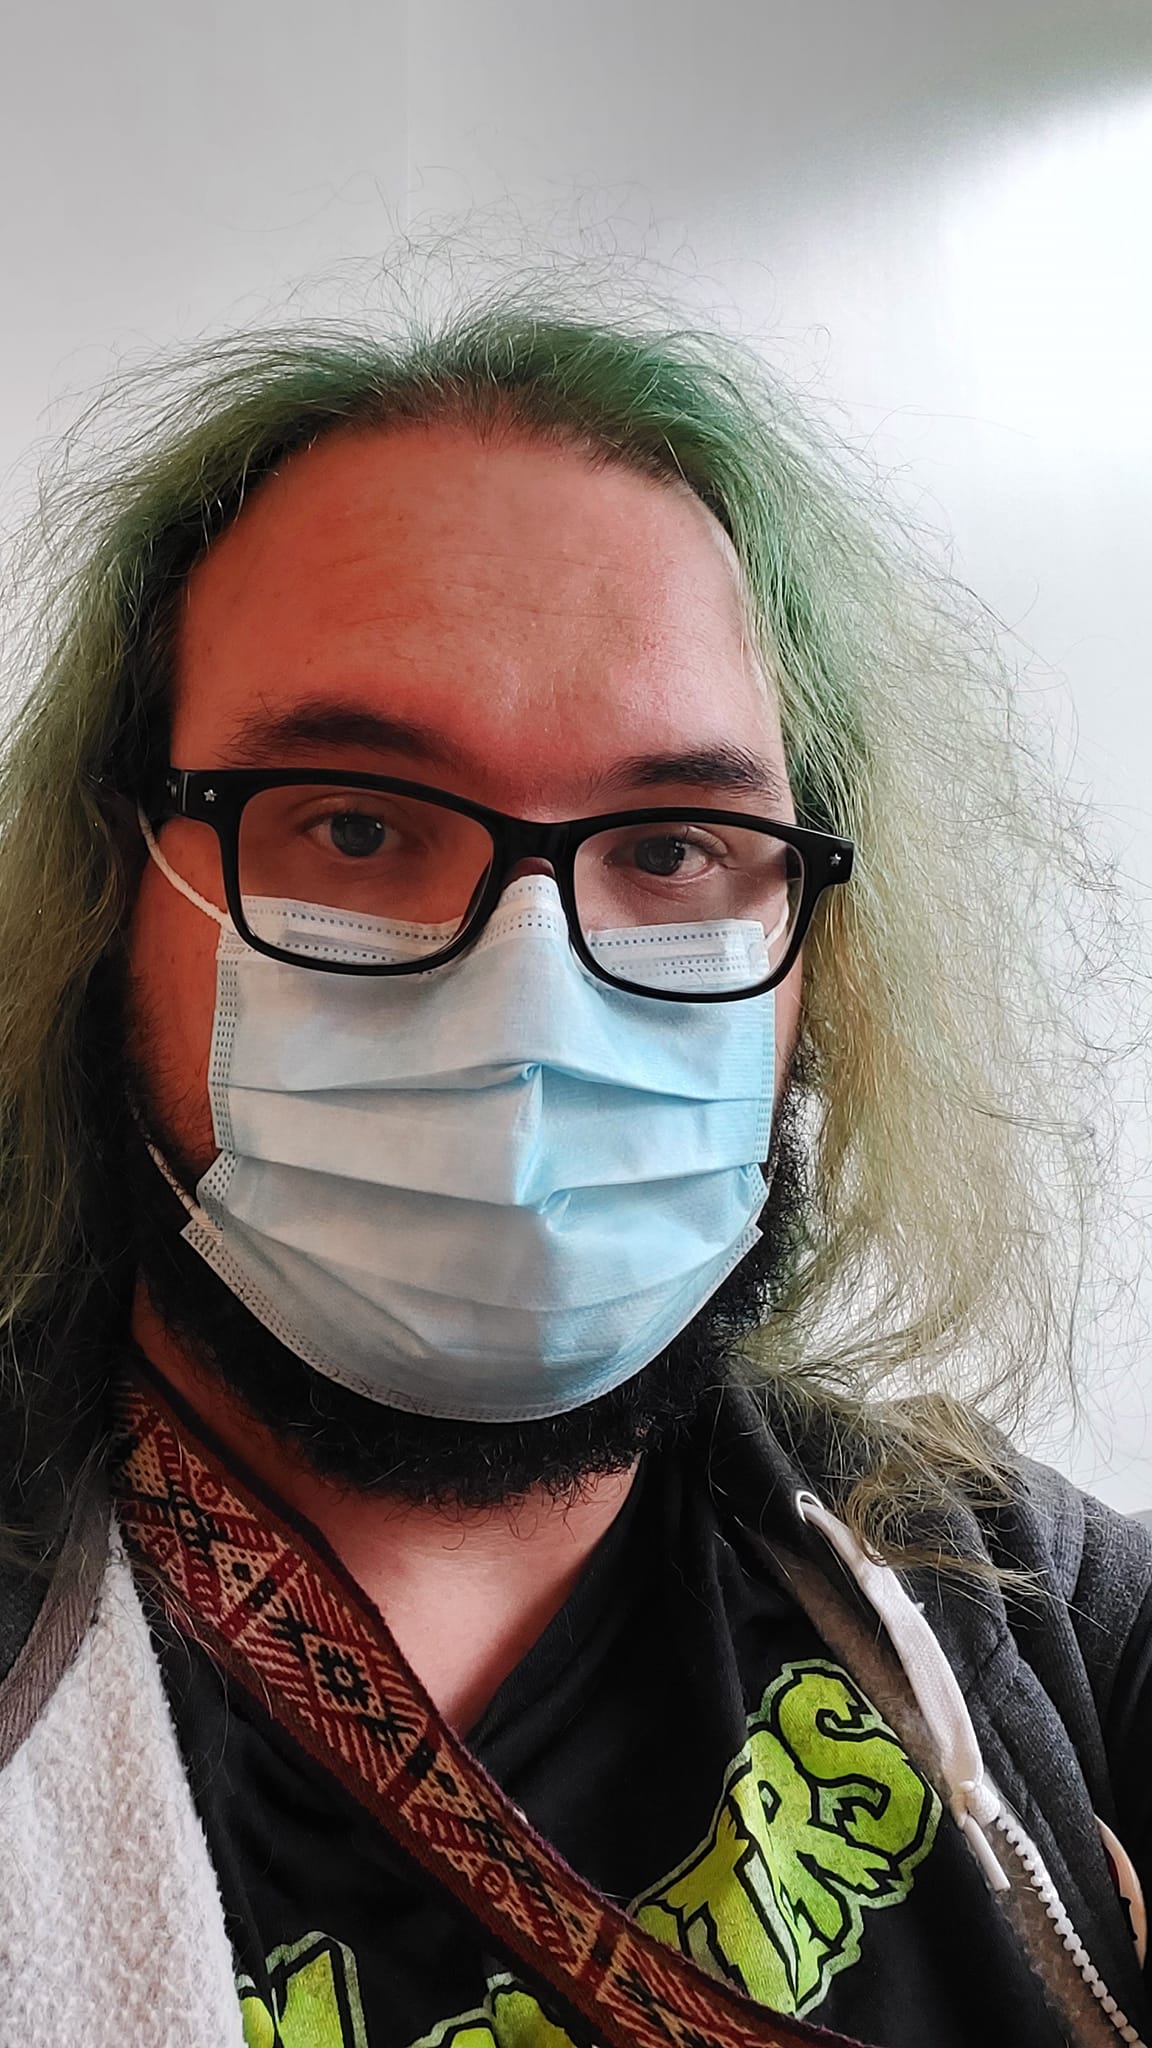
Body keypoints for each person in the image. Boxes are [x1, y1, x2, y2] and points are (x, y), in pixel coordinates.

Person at [0, 292, 1149, 2048]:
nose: (528, 1004)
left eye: (677, 844)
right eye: (357, 822)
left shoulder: (1020, 1611)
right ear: (111, 889)